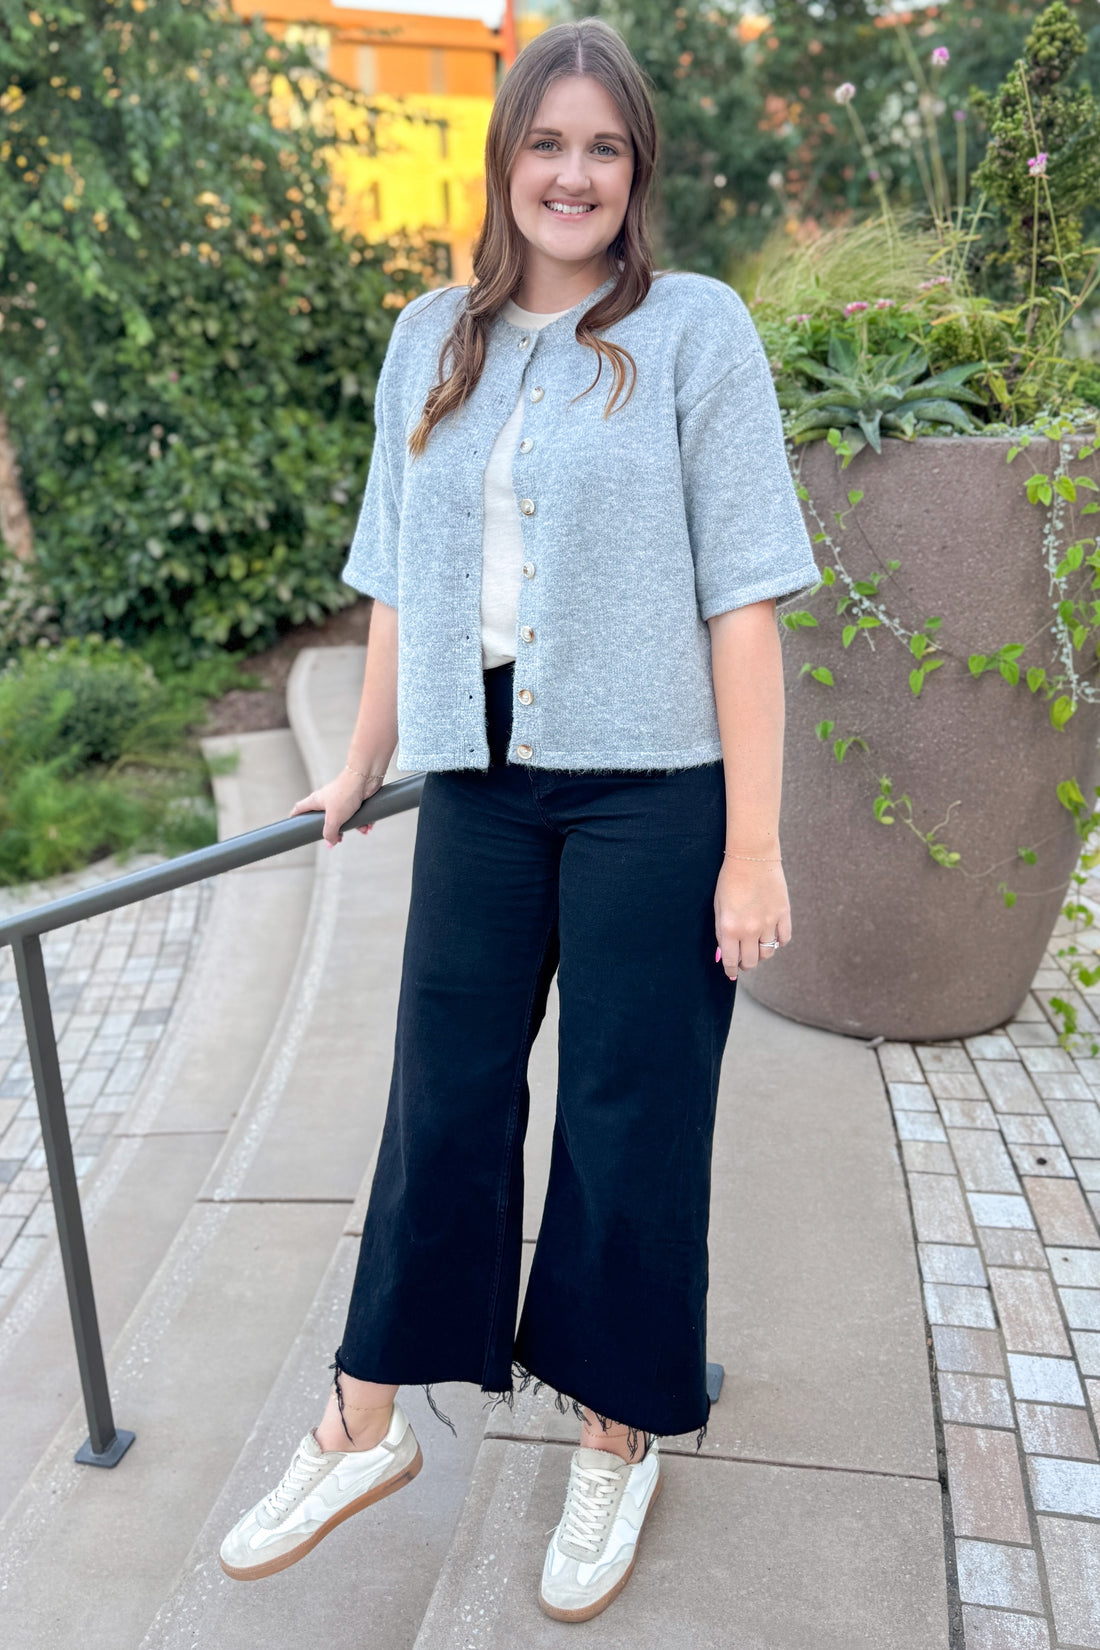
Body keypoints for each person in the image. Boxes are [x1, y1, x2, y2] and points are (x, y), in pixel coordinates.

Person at [218, 16, 818, 1623]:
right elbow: (405, 572)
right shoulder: (432, 337)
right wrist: (360, 761)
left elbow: (749, 604)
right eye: (545, 144)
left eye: (601, 148)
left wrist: (753, 846)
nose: (571, 173)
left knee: (632, 1118)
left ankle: (620, 1434)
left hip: (658, 796)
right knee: (445, 1093)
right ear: (504, 166)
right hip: (480, 784)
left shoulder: (697, 332)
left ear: (638, 174)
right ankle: (364, 1419)